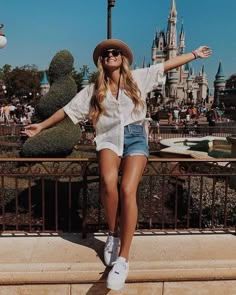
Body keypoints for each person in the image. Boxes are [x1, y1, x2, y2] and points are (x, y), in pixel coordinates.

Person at [22, 39, 211, 291]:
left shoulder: (137, 78)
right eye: (106, 53)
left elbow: (165, 65)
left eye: (115, 52)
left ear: (122, 58)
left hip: (135, 138)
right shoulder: (93, 89)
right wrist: (41, 126)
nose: (111, 55)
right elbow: (67, 111)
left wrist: (194, 55)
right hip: (109, 138)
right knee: (110, 183)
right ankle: (112, 233)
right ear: (102, 61)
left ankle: (123, 258)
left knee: (127, 189)